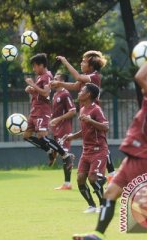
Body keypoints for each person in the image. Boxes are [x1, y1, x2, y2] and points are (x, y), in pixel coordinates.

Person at [73, 46, 147, 240]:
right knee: (110, 193)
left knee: (145, 208)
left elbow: (140, 77)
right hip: (136, 156)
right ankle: (98, 234)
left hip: (145, 158)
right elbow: (146, 78)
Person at [52, 51, 116, 181]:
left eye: (84, 61)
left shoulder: (94, 76)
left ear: (91, 66)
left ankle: (112, 174)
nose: (81, 63)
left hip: (94, 113)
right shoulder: (87, 76)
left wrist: (65, 61)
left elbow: (77, 78)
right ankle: (112, 174)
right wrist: (60, 84)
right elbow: (75, 85)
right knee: (98, 143)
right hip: (85, 112)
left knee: (101, 144)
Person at [23, 53, 74, 170]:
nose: (34, 69)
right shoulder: (40, 77)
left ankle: (65, 156)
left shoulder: (47, 76)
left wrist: (32, 85)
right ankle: (49, 150)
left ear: (42, 65)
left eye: (35, 66)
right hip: (34, 110)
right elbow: (40, 93)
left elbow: (46, 93)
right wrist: (31, 89)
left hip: (42, 111)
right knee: (26, 136)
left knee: (42, 137)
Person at [65, 83, 109, 213]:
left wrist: (91, 120)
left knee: (92, 178)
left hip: (99, 150)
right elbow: (85, 130)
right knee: (80, 179)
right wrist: (72, 136)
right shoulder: (83, 109)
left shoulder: (96, 109)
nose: (79, 93)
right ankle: (92, 205)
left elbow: (105, 127)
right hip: (86, 151)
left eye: (82, 91)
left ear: (88, 94)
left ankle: (103, 205)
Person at [50, 73, 76, 190]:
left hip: (64, 128)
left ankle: (67, 184)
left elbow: (73, 111)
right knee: (62, 154)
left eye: (55, 79)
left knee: (65, 154)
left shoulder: (65, 94)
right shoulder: (55, 94)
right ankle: (69, 157)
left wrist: (59, 119)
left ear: (62, 81)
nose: (53, 81)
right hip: (56, 129)